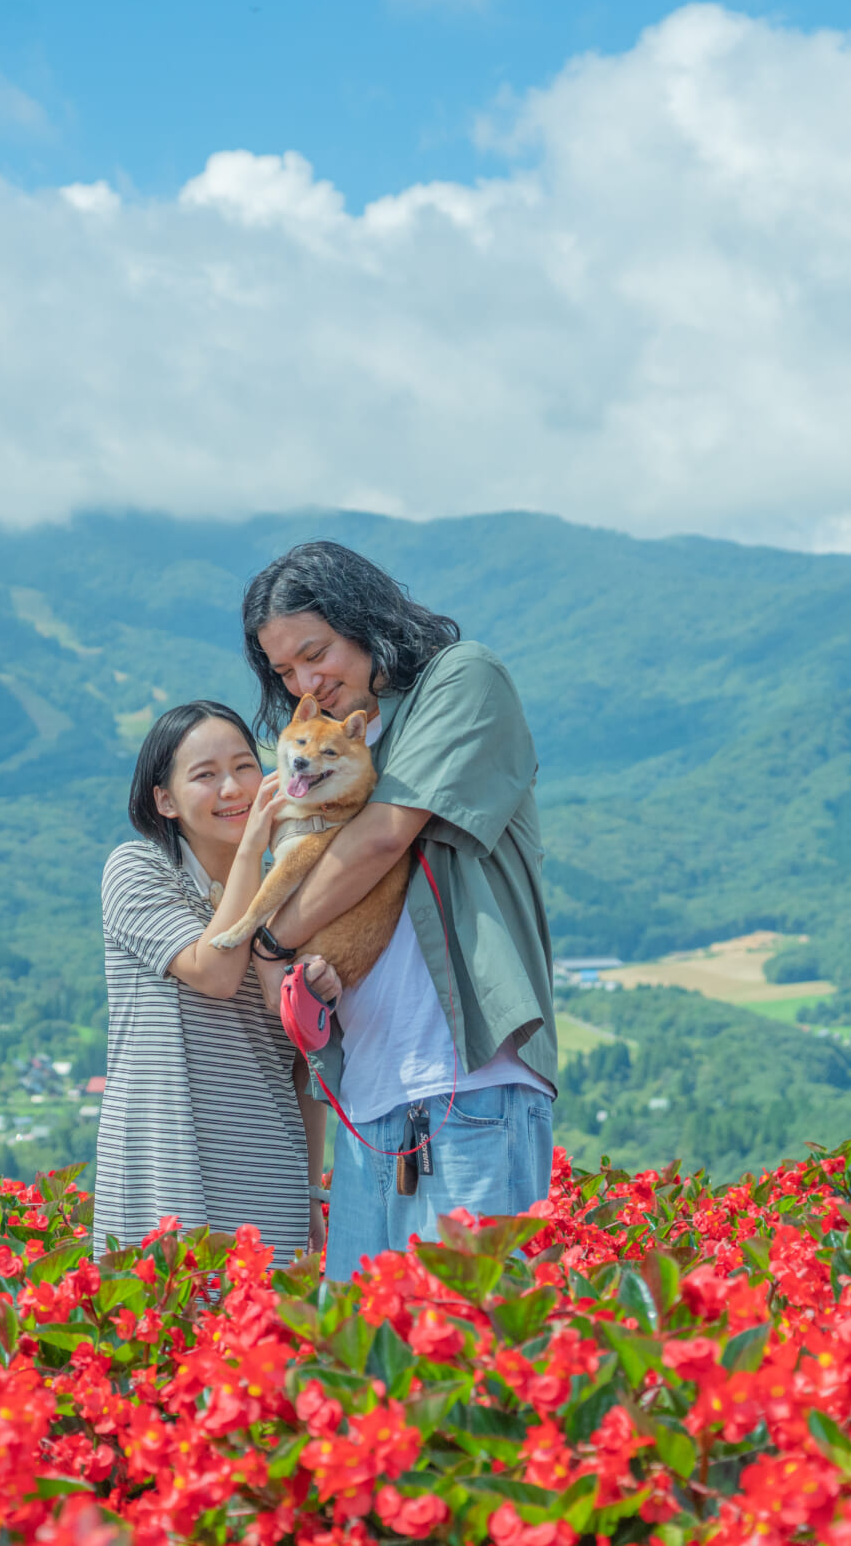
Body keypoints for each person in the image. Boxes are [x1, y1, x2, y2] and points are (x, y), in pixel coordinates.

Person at [239, 542, 557, 1282]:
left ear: (365, 619)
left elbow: (384, 836)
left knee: (467, 1359)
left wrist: (267, 939)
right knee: (373, 1374)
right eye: (284, 672)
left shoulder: (462, 680)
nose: (304, 682)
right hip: (368, 1104)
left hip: (468, 1086)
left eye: (316, 654)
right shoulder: (333, 744)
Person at [93, 700, 332, 1261]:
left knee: (260, 1344)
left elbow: (308, 1058)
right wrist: (255, 843)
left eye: (245, 766)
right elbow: (217, 971)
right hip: (160, 1165)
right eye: (205, 775)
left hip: (266, 1170)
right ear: (165, 800)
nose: (233, 788)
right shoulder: (138, 870)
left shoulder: (293, 894)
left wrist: (308, 1184)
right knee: (161, 1338)